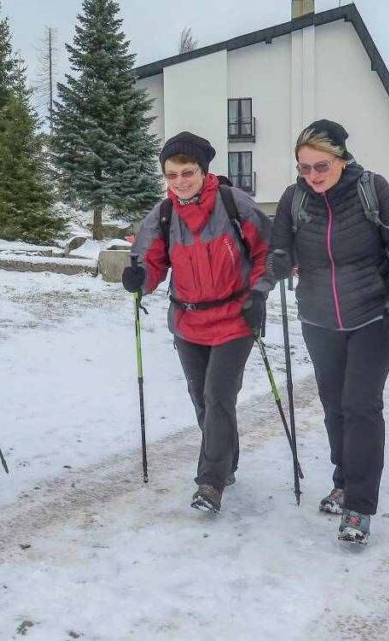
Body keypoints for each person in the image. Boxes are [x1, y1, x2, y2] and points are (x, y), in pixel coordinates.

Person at [267, 119, 389, 545]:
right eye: (304, 168)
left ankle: (359, 505)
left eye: (321, 166)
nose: (312, 176)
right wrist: (278, 262)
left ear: (341, 159)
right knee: (334, 406)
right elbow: (278, 250)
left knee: (360, 406)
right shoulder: (293, 199)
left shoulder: (372, 189)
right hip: (319, 320)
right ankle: (343, 480)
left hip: (374, 316)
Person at [124, 131, 273, 514]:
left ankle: (210, 482)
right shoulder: (163, 214)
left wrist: (258, 294)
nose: (179, 182)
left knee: (218, 396)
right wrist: (140, 278)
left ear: (204, 171)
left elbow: (267, 254)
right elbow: (151, 261)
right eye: (171, 175)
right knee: (202, 400)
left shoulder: (234, 204)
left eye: (186, 173)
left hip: (235, 317)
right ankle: (228, 462)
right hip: (188, 321)